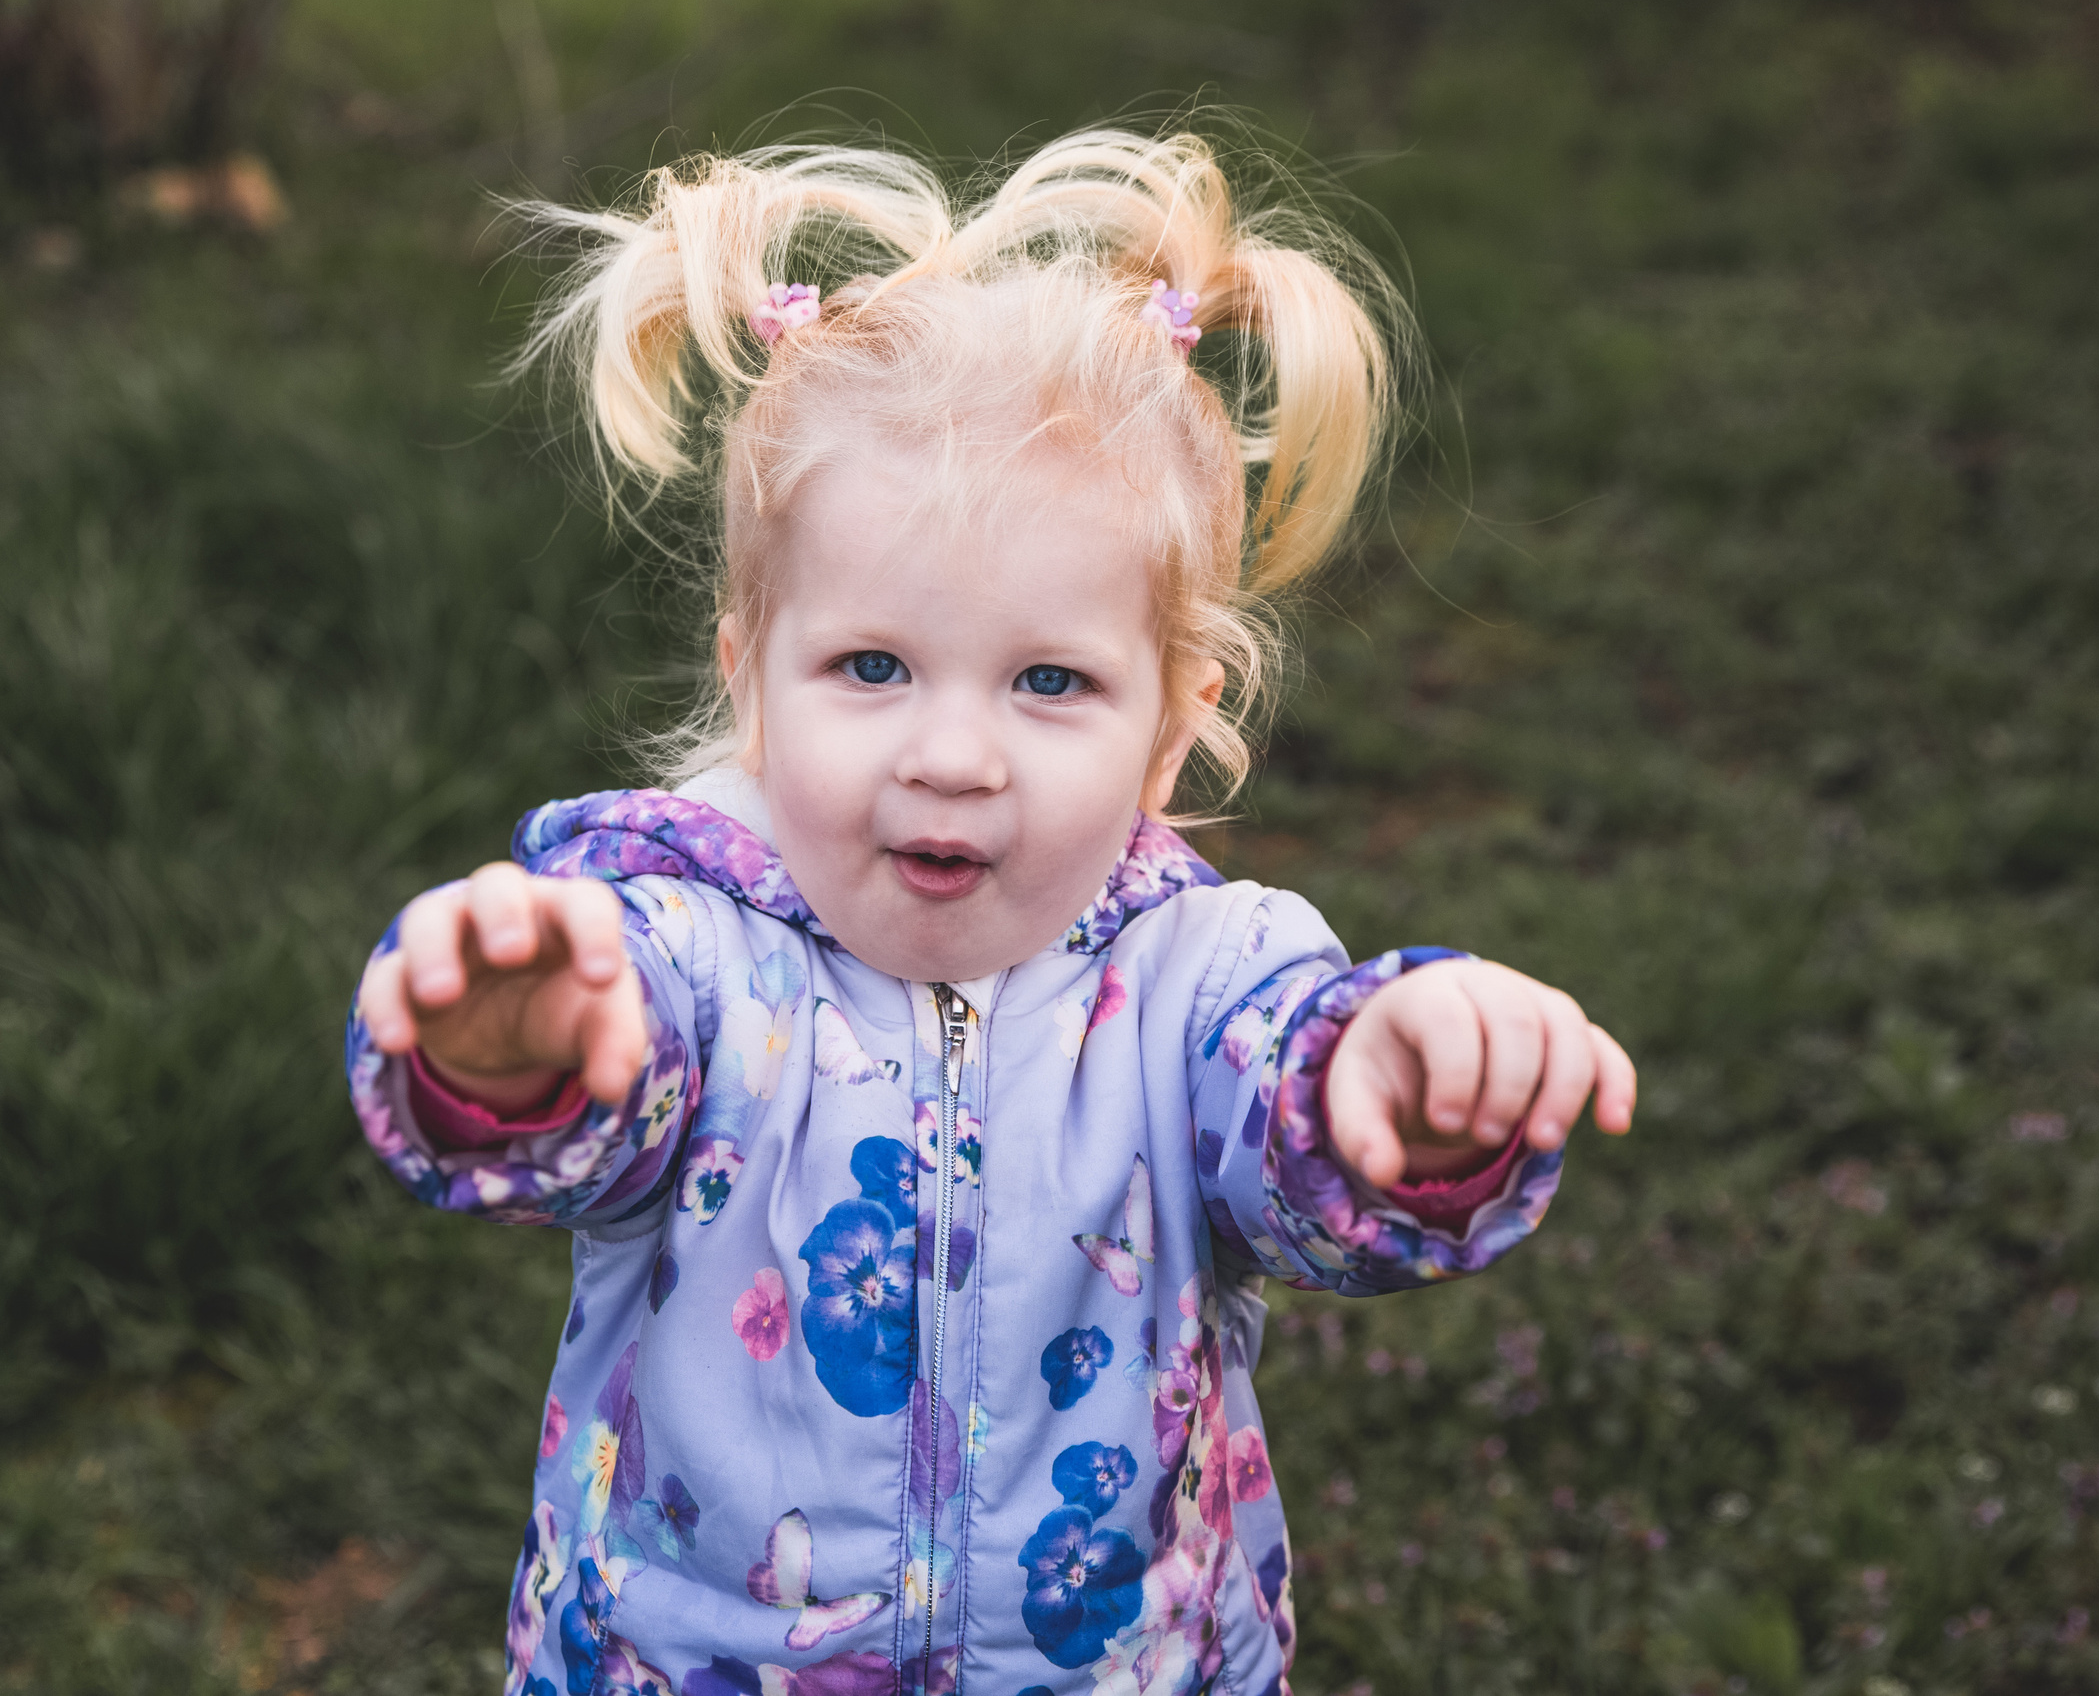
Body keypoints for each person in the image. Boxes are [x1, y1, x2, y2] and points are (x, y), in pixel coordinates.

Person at [347, 126, 1636, 1696]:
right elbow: (586, 1113)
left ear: (1172, 721)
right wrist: (515, 1049)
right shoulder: (677, 947)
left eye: (1049, 681)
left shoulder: (1203, 982)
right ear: (752, 672)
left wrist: (1387, 1084)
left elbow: (1293, 1142)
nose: (951, 755)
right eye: (874, 666)